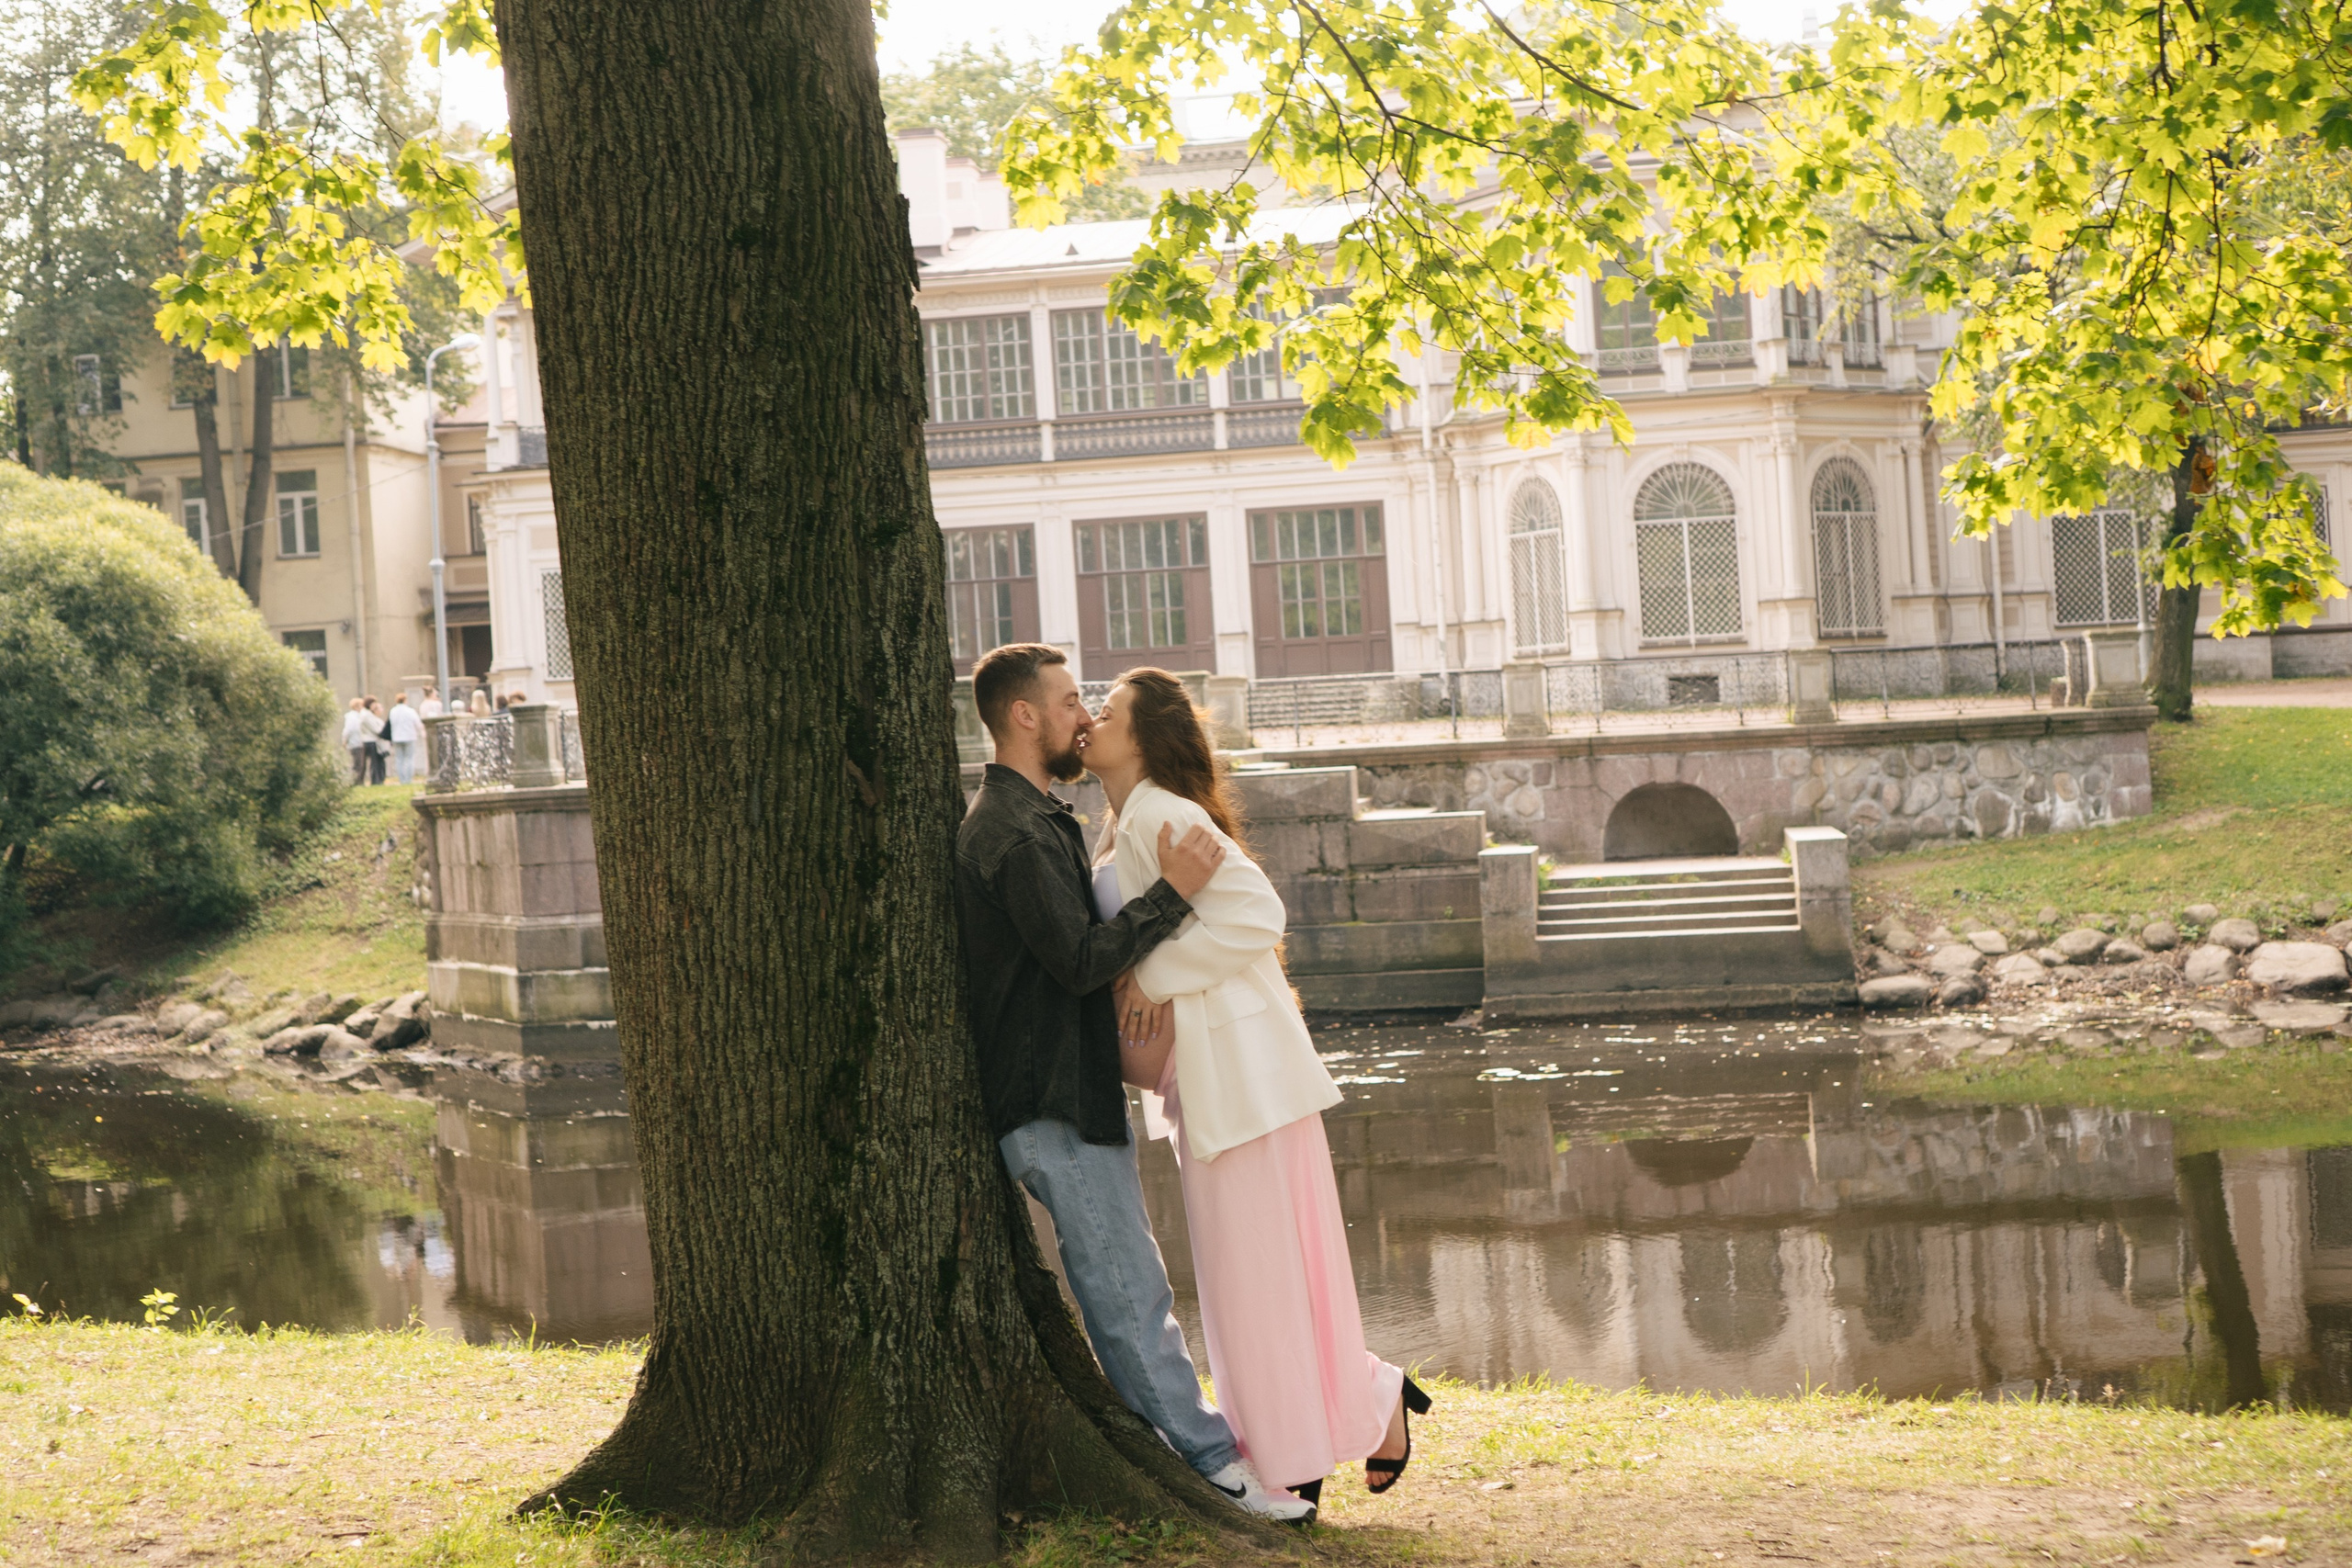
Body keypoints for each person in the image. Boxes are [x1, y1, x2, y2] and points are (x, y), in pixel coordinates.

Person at [953, 643, 1314, 1526]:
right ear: (1027, 715)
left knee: (1131, 1286)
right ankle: (1216, 1470)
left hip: (1071, 1096)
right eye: (1072, 700)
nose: (1084, 715)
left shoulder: (1041, 820)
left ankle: (1199, 1455)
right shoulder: (1008, 829)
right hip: (1050, 1103)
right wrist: (1173, 899)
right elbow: (1077, 960)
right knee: (1128, 1295)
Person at [1081, 667, 1430, 1506]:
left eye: (1109, 711)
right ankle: (1364, 1403)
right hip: (1211, 1081)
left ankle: (1289, 1460)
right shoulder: (1128, 822)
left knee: (1258, 1280)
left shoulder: (1164, 812)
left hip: (1241, 1078)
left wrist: (1150, 979)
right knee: (1266, 1276)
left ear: (1146, 736)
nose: (1092, 719)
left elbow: (1257, 914)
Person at [387, 693, 423, 784]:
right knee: (409, 758)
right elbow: (417, 723)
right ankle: (408, 779)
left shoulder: (393, 711)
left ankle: (402, 779)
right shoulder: (410, 711)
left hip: (396, 737)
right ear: (405, 700)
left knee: (399, 759)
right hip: (409, 736)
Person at [340, 697, 371, 784]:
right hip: (355, 743)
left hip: (360, 742)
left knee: (362, 765)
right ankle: (355, 782)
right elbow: (348, 730)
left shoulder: (359, 716)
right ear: (356, 706)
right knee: (358, 764)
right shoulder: (352, 717)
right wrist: (344, 740)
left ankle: (360, 782)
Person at [362, 697, 390, 785]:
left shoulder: (369, 715)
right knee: (374, 763)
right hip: (371, 741)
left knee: (378, 762)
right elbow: (376, 729)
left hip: (374, 741)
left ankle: (379, 780)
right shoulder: (366, 715)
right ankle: (376, 781)